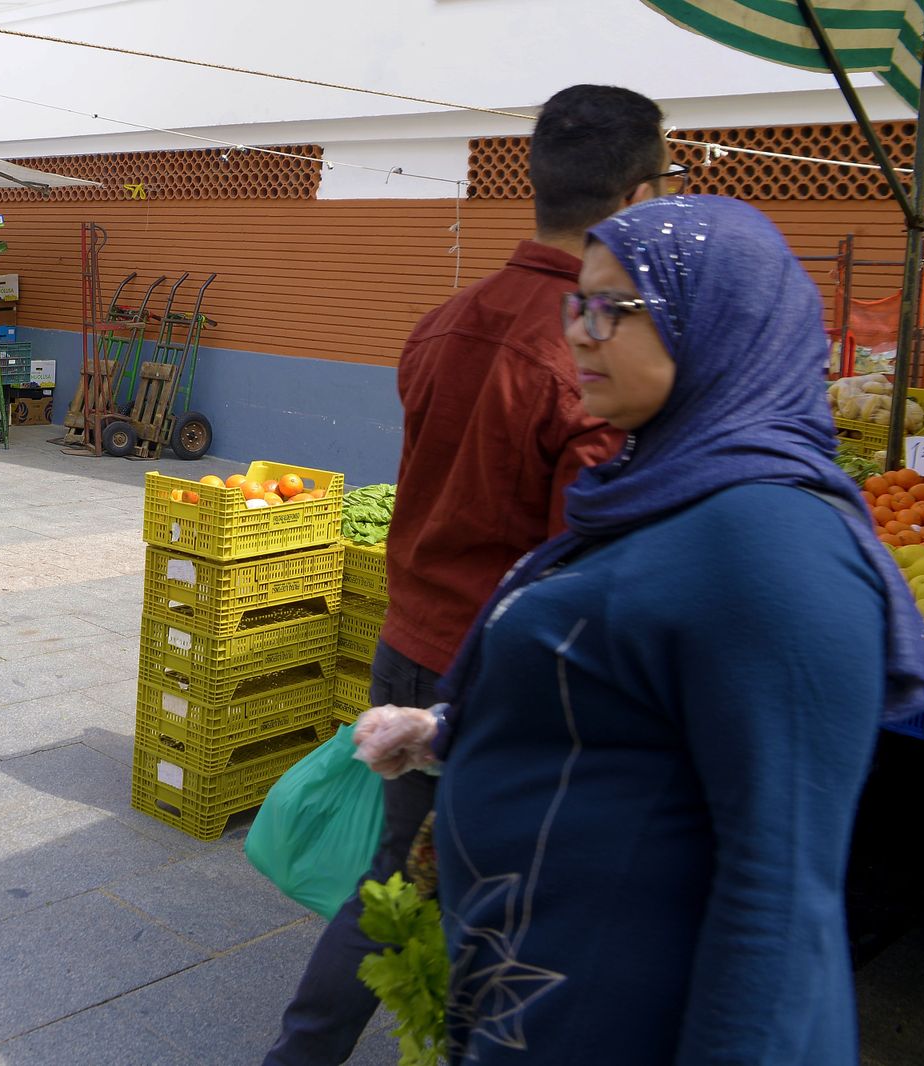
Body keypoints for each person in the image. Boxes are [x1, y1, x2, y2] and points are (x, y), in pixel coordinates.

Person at [353, 196, 924, 1065]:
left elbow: (776, 906)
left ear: (718, 318)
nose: (582, 333)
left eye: (615, 308)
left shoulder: (773, 549)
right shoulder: (655, 487)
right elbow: (626, 695)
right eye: (576, 305)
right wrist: (452, 732)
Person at [264, 84, 672, 1065]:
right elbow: (579, 549)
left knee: (396, 881)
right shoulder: (589, 349)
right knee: (500, 891)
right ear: (642, 194)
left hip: (410, 641)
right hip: (495, 671)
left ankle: (304, 1050)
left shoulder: (444, 320)